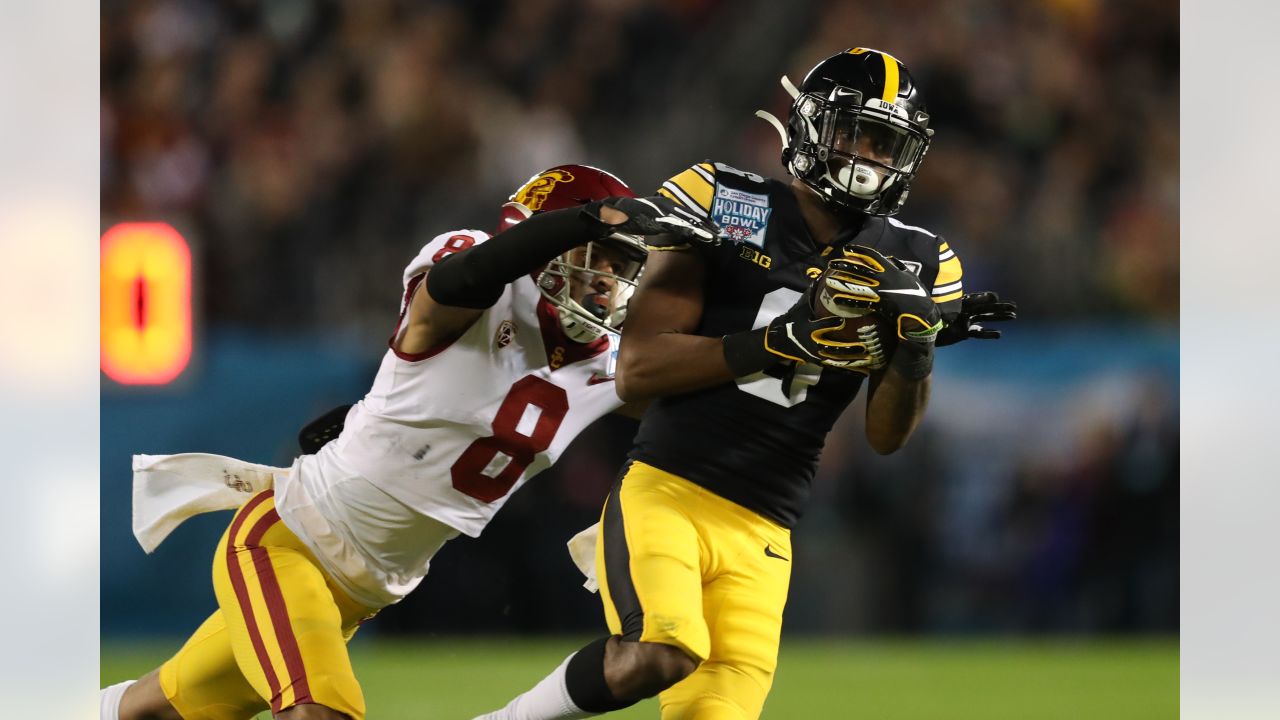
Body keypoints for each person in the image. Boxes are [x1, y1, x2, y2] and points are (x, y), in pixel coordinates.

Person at [476, 48, 1016, 720]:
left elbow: (885, 437)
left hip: (767, 530)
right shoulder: (726, 202)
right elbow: (639, 373)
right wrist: (781, 342)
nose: (867, 157)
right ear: (811, 126)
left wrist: (913, 352)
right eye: (853, 132)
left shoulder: (917, 259)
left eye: (884, 143)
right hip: (669, 492)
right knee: (661, 649)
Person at [100, 164, 720, 720]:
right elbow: (459, 285)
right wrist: (581, 218)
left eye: (620, 264)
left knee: (153, 710)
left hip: (361, 595)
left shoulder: (611, 363)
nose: (607, 279)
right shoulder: (479, 274)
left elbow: (706, 383)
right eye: (597, 254)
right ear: (544, 242)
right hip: (287, 542)